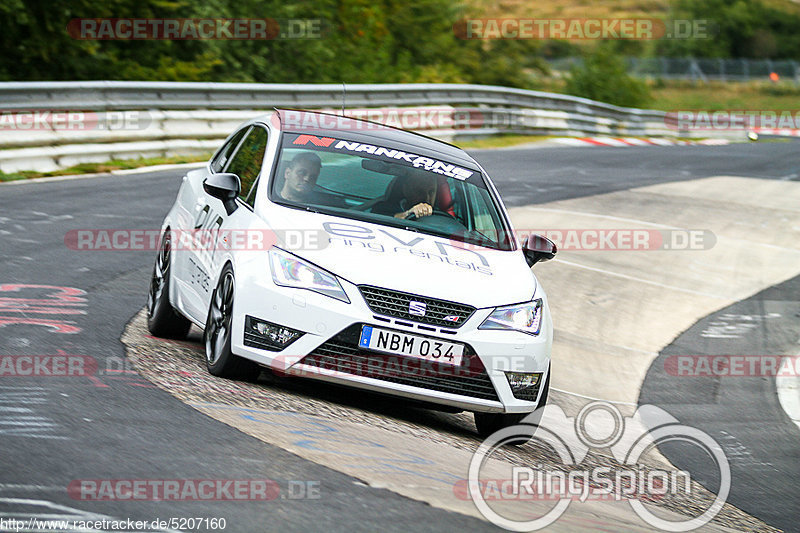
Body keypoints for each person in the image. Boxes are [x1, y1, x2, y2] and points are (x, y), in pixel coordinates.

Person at [372, 170, 438, 220]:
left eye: (431, 192)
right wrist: (408, 214)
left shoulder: (442, 217)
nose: (426, 198)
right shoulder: (382, 208)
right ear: (406, 189)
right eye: (420, 192)